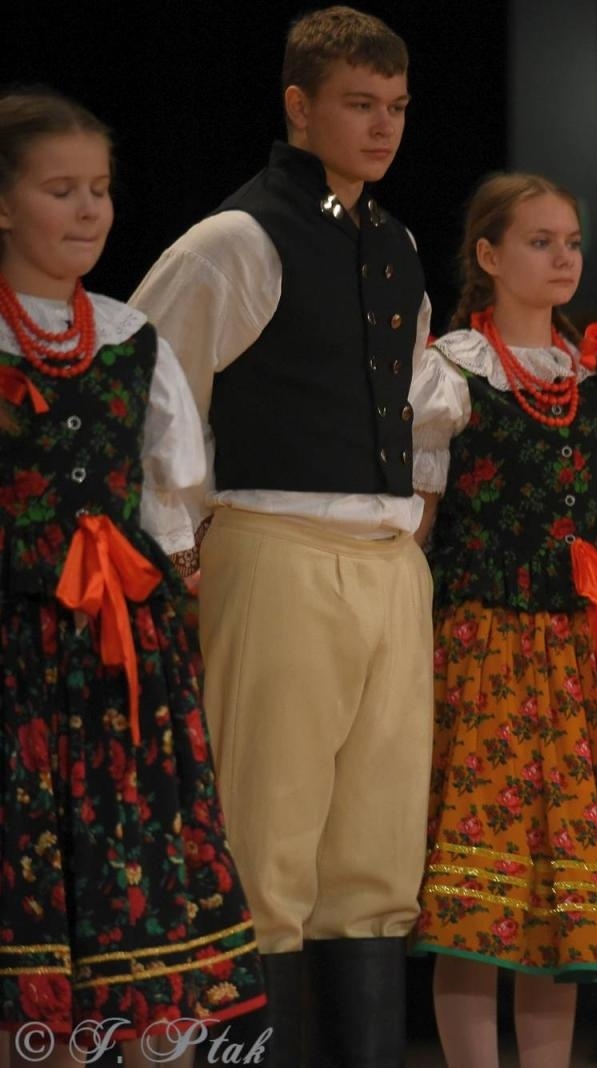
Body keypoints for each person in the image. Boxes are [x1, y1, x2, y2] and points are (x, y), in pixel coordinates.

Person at [128, 7, 436, 1063]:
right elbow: (149, 395)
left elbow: (416, 406)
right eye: (359, 104)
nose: (382, 125)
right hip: (276, 550)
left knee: (378, 853)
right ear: (300, 107)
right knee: (268, 839)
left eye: (395, 107)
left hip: (389, 569)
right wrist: (178, 552)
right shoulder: (237, 239)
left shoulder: (394, 246)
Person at [407, 172, 597, 1067]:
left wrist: (580, 547)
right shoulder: (452, 368)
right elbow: (421, 522)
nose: (562, 257)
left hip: (581, 647)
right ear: (490, 257)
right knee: (477, 890)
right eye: (540, 241)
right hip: (484, 643)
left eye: (571, 241)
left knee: (561, 893)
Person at [0, 88, 263, 1067]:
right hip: (19, 654)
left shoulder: (126, 339)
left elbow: (170, 502)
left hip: (118, 667)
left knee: (131, 901)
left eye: (100, 190)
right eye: (59, 189)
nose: (87, 211)